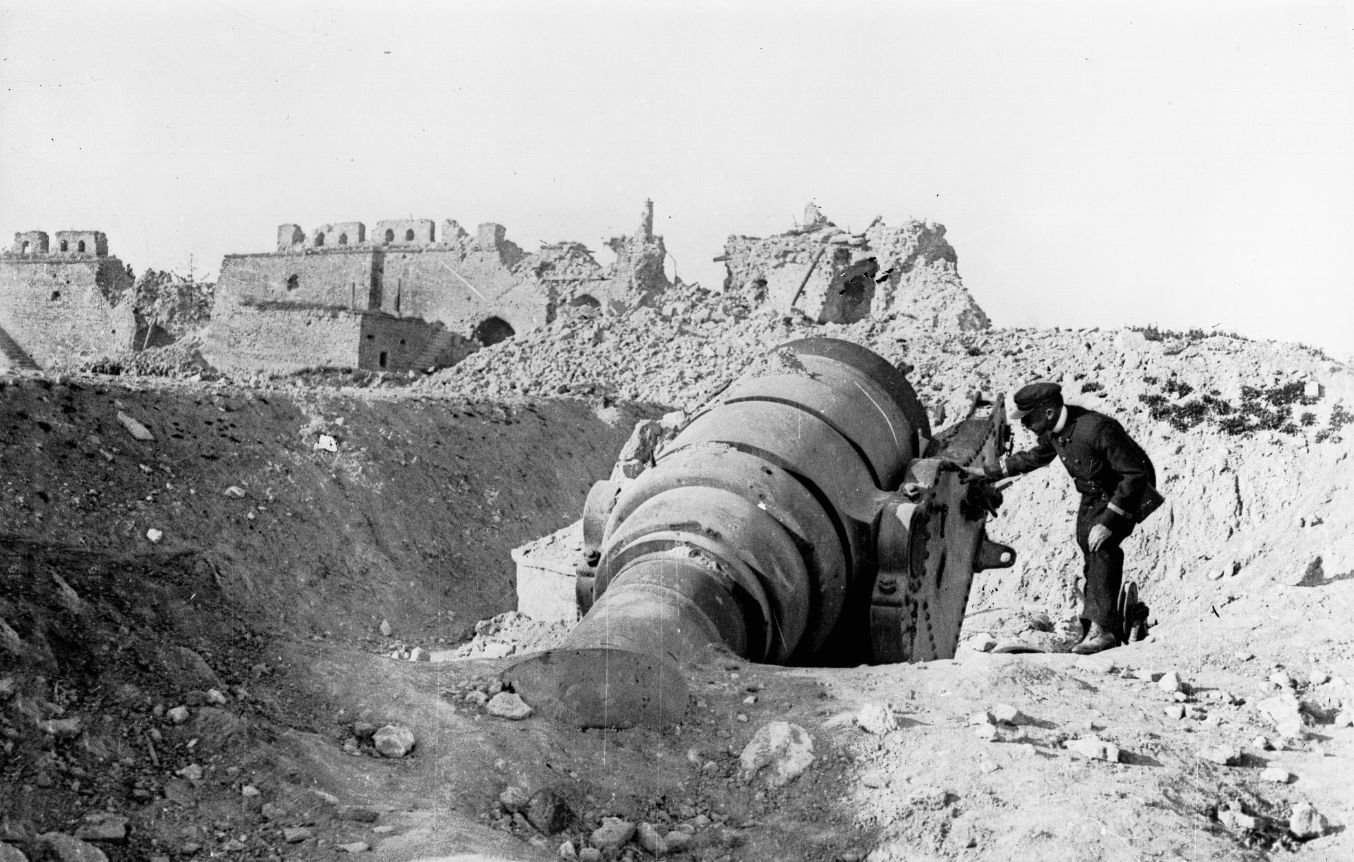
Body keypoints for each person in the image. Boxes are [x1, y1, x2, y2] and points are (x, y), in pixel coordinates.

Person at [974, 381, 1161, 655]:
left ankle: (1104, 631)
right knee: (1087, 544)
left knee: (1101, 545)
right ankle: (1101, 623)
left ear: (1048, 412)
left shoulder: (1096, 428)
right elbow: (1035, 457)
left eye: (1028, 418)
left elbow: (1135, 474)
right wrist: (989, 472)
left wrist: (1110, 521)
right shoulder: (1055, 429)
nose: (1025, 424)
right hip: (1094, 494)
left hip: (1125, 492)